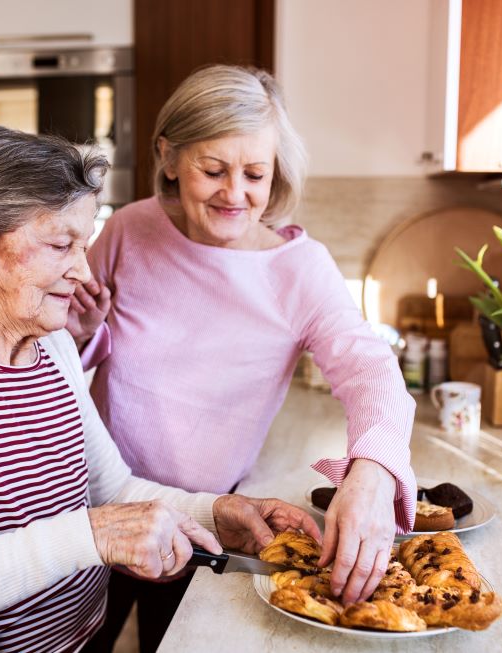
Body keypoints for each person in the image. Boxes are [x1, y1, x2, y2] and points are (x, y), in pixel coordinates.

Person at [0, 126, 320, 653]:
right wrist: (92, 536)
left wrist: (218, 513)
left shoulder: (55, 347)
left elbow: (110, 490)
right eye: (59, 245)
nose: (83, 270)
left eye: (84, 245)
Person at [67, 65, 418, 652]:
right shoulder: (128, 230)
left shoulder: (299, 271)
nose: (236, 194)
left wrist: (376, 473)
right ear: (169, 156)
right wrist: (80, 335)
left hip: (204, 526)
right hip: (92, 508)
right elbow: (53, 360)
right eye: (213, 170)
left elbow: (370, 371)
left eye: (255, 173)